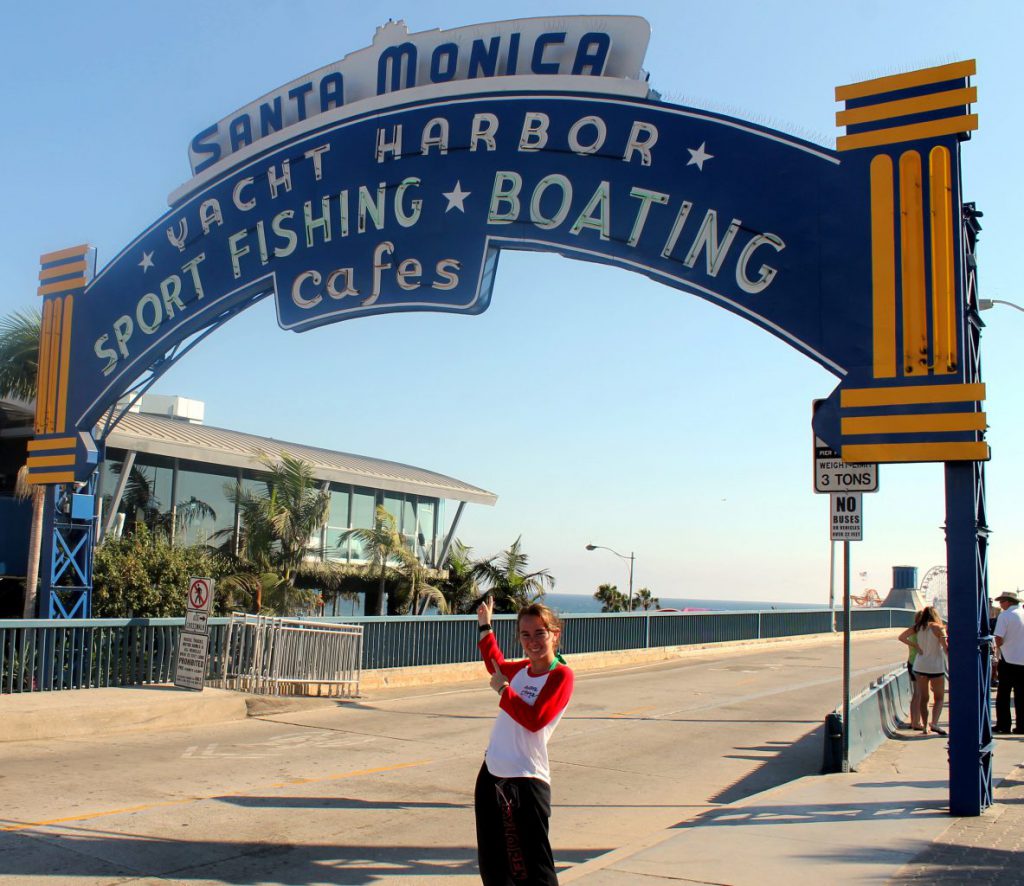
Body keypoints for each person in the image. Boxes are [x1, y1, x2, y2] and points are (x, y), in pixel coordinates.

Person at [474, 596, 575, 885]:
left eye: (539, 633)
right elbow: (496, 663)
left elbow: (535, 719)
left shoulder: (561, 676)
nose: (532, 641)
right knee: (494, 864)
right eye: (525, 634)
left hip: (525, 780)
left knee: (531, 867)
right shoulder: (521, 670)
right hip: (492, 773)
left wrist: (504, 691)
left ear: (555, 635)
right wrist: (485, 625)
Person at [898, 606, 948, 735]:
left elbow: (902, 637)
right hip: (935, 666)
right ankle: (934, 723)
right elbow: (946, 649)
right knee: (939, 698)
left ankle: (925, 726)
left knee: (924, 698)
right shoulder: (938, 628)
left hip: (920, 666)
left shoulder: (918, 628)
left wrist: (916, 646)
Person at [993, 590, 1024, 734]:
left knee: (1003, 695)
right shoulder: (1022, 613)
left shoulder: (1005, 616)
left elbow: (998, 638)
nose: (1000, 604)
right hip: (1022, 659)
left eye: (1001, 601)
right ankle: (1021, 726)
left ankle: (1003, 725)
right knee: (1021, 695)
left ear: (1008, 602)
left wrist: (999, 649)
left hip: (1008, 658)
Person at [902, 616, 923, 730]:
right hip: (917, 662)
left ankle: (914, 721)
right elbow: (901, 637)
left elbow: (902, 637)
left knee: (916, 694)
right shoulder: (918, 629)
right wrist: (916, 646)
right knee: (919, 694)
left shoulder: (916, 629)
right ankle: (916, 722)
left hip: (912, 661)